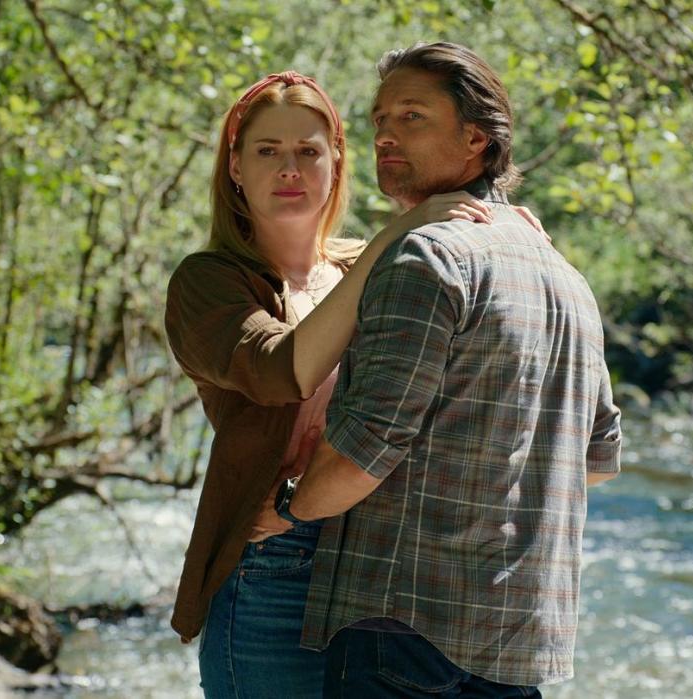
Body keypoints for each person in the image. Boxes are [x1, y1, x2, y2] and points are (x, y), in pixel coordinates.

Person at [273, 42, 623, 696]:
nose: (384, 134)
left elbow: (362, 454)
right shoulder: (568, 278)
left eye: (411, 117)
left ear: (476, 138)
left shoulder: (426, 257)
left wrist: (288, 507)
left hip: (402, 633)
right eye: (379, 119)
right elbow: (597, 461)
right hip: (520, 639)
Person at [164, 71, 505, 698]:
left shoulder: (370, 262)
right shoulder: (206, 281)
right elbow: (281, 371)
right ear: (235, 167)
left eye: (308, 151)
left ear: (335, 163)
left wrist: (507, 234)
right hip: (277, 558)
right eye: (268, 151)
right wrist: (394, 236)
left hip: (383, 563)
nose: (289, 168)